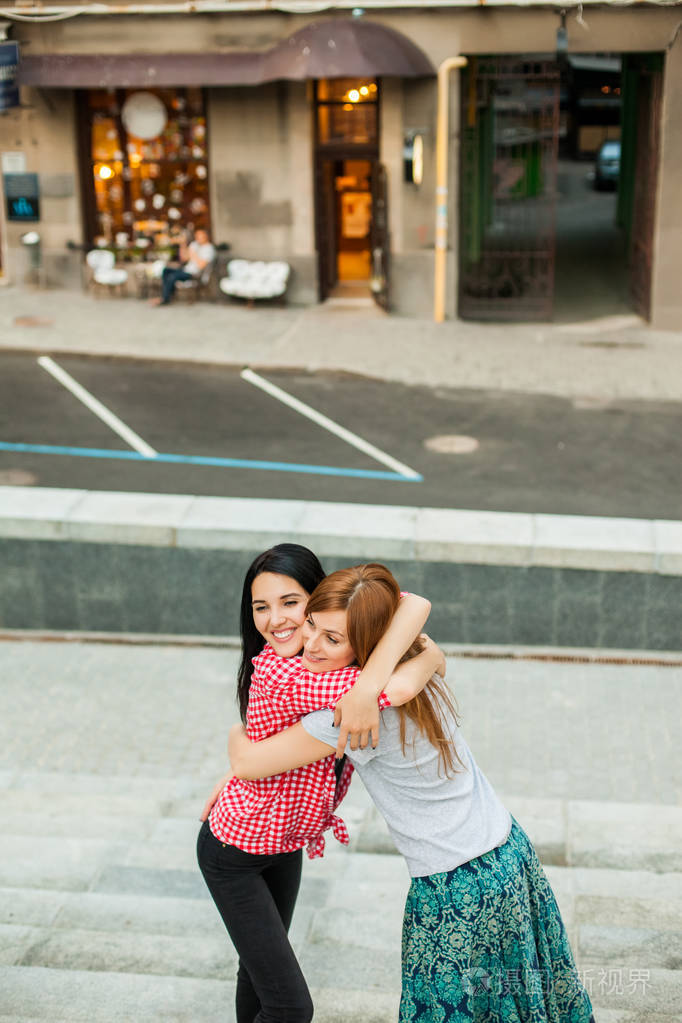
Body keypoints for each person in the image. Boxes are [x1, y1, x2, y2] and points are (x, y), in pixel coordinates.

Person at [228, 567, 596, 1023]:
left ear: (366, 645)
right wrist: (377, 679)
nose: (312, 646)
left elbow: (247, 763)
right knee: (516, 1002)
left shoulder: (348, 715)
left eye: (332, 639)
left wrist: (236, 732)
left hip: (454, 885)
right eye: (312, 627)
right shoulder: (411, 665)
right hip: (510, 855)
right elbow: (426, 642)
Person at [197, 547, 443, 1023]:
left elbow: (410, 602)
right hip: (236, 854)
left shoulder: (321, 662)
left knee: (259, 973)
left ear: (320, 599)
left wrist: (238, 763)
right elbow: (400, 684)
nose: (277, 621)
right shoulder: (296, 673)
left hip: (284, 840)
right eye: (260, 607)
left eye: (292, 604)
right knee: (290, 1007)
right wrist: (428, 654)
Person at [151, 227, 215, 306]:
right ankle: (167, 296)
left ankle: (165, 299)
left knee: (172, 276)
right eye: (197, 236)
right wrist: (183, 245)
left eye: (200, 236)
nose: (198, 238)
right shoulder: (195, 245)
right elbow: (184, 259)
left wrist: (193, 253)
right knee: (166, 270)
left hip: (195, 274)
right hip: (187, 270)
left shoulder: (209, 249)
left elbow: (201, 266)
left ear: (206, 236)